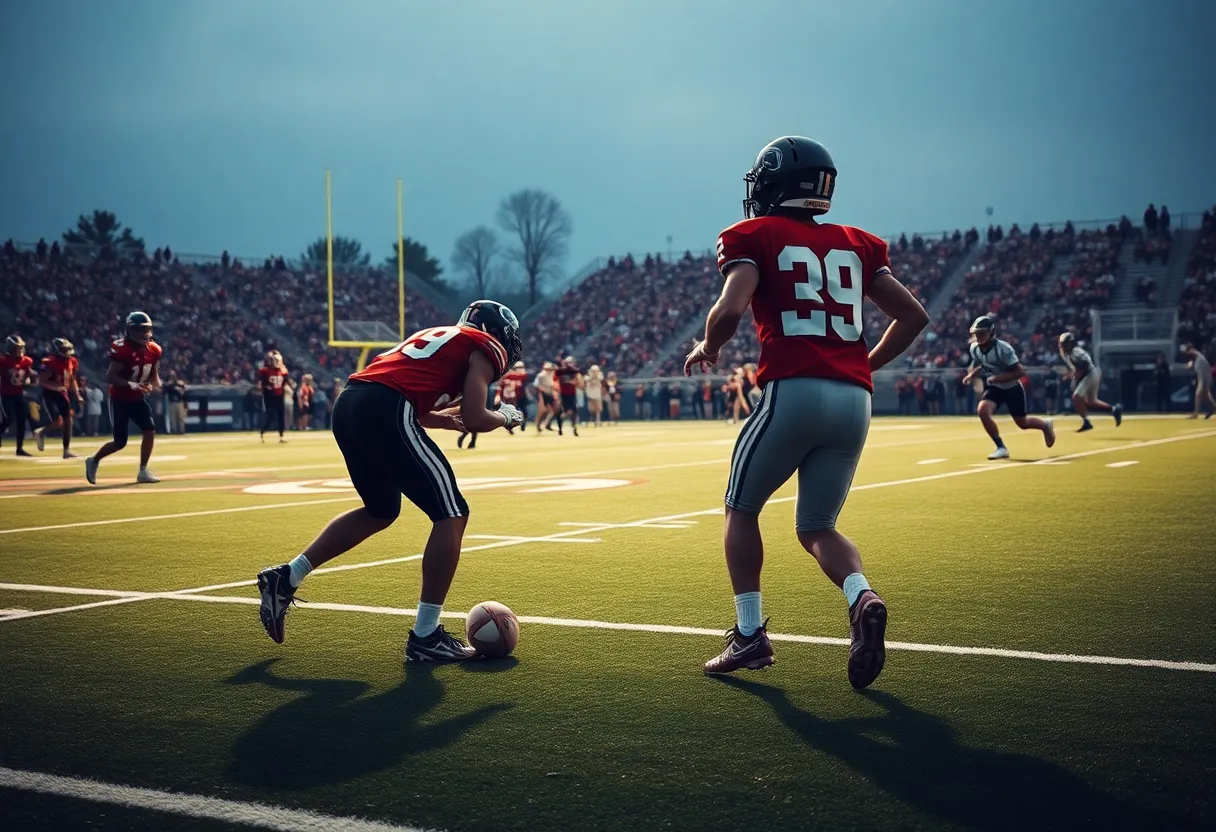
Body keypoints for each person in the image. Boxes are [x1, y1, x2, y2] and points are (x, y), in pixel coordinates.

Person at [683, 135, 929, 687]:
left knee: (740, 508)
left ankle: (749, 636)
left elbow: (731, 306)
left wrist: (710, 346)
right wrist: (862, 362)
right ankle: (860, 596)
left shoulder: (754, 234)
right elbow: (913, 317)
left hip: (792, 389)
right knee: (817, 524)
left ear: (773, 183)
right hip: (854, 399)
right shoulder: (859, 243)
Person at [255, 300, 524, 662]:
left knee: (380, 510)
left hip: (351, 404)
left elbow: (412, 399)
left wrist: (447, 421)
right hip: (385, 406)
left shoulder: (439, 336)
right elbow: (476, 416)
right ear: (497, 332)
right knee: (452, 513)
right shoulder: (483, 345)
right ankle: (426, 636)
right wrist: (504, 416)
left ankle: (287, 576)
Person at [85, 311, 164, 484]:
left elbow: (153, 373)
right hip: (119, 398)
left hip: (138, 398)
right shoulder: (122, 348)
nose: (144, 334)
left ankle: (143, 470)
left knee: (150, 430)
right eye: (139, 330)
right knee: (120, 443)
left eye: (146, 330)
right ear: (129, 330)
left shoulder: (154, 349)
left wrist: (155, 384)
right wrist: (132, 384)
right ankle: (94, 460)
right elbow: (110, 376)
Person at [961, 316, 1055, 460]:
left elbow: (1020, 372)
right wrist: (972, 374)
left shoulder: (1003, 349)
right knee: (983, 411)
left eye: (981, 333)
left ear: (991, 332)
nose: (978, 336)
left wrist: (998, 378)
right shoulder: (975, 348)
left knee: (1022, 423)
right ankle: (1000, 447)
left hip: (1012, 387)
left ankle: (1045, 425)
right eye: (976, 333)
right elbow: (981, 363)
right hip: (995, 388)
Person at [1058, 332, 1122, 432]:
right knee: (1091, 402)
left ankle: (1086, 422)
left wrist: (1073, 375)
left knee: (1076, 397)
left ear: (1070, 343)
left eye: (1064, 344)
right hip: (1090, 373)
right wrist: (1072, 375)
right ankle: (1114, 409)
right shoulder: (1068, 354)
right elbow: (1077, 369)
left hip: (1091, 373)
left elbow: (1085, 366)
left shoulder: (1076, 352)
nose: (1062, 346)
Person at [34, 337, 81, 459]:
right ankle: (41, 432)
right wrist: (56, 388)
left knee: (68, 421)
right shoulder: (49, 362)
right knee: (58, 422)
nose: (67, 352)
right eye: (64, 350)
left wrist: (78, 395)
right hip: (50, 394)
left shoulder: (73, 361)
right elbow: (42, 382)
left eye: (68, 349)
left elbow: (72, 380)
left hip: (63, 394)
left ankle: (66, 451)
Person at [0, 334, 34, 456]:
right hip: (6, 394)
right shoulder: (3, 360)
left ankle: (19, 448)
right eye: (16, 348)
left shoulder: (26, 361)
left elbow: (29, 375)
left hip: (19, 394)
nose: (19, 350)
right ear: (9, 348)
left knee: (22, 420)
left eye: (20, 348)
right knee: (8, 419)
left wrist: (29, 380)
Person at [258, 350, 288, 442]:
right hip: (269, 396)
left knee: (281, 416)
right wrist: (267, 389)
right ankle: (262, 432)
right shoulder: (265, 371)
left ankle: (281, 436)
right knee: (270, 416)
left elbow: (284, 383)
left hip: (279, 396)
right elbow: (261, 383)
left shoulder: (283, 371)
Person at [1181, 343, 1215, 419]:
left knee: (1199, 394)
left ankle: (1196, 413)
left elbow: (1201, 376)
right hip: (1206, 378)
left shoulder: (1199, 359)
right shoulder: (1196, 359)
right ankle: (1212, 409)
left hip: (1205, 378)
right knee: (1206, 395)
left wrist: (1200, 386)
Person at [555, 356, 582, 436]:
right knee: (561, 411)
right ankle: (560, 428)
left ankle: (574, 427)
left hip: (571, 393)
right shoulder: (560, 371)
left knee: (574, 410)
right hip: (562, 394)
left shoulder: (574, 371)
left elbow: (576, 381)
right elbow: (556, 380)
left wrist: (569, 381)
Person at [533, 361, 557, 432]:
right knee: (543, 411)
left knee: (554, 410)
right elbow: (536, 385)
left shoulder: (553, 374)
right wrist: (540, 396)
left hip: (550, 393)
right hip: (543, 394)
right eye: (547, 369)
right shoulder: (540, 375)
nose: (549, 370)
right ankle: (538, 425)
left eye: (550, 369)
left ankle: (547, 424)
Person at [163, 370, 188, 435]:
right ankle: (174, 430)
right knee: (173, 418)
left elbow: (184, 388)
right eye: (171, 376)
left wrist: (177, 385)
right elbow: (165, 388)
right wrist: (173, 385)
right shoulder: (168, 384)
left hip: (179, 402)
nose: (172, 377)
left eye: (173, 376)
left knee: (181, 417)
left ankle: (181, 430)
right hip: (172, 402)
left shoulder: (179, 383)